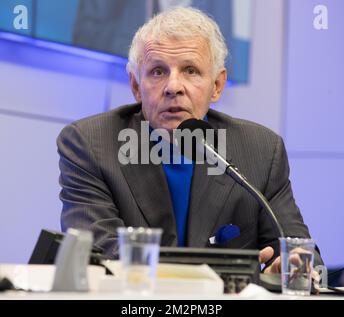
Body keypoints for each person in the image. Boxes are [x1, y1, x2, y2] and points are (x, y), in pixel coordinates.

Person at [57, 7, 323, 272]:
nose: (174, 86)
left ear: (217, 85)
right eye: (158, 71)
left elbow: (301, 257)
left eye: (191, 70)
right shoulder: (90, 144)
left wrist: (289, 270)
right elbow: (98, 253)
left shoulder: (261, 150)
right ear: (136, 86)